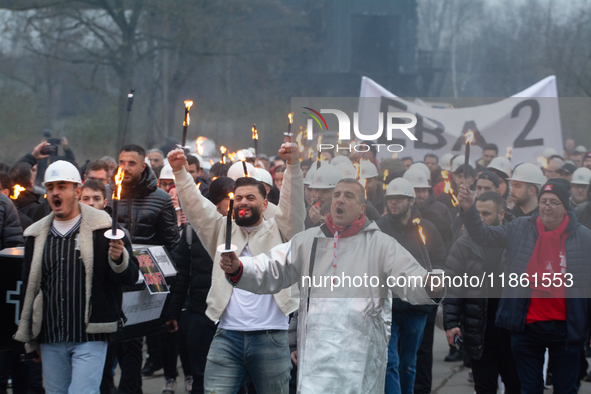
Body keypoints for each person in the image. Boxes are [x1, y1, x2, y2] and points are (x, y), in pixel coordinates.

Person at [219, 178, 444, 393]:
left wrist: (428, 285)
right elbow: (271, 267)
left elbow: (407, 277)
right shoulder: (307, 241)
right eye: (336, 194)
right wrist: (240, 267)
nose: (340, 199)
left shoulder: (380, 244)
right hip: (317, 357)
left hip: (361, 357)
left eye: (348, 195)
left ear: (362, 207)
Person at [168, 142, 305, 393]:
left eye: (251, 198)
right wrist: (180, 172)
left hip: (271, 337)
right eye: (239, 197)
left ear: (264, 205)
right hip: (226, 337)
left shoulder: (282, 230)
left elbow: (294, 207)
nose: (244, 202)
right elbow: (197, 208)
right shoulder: (222, 230)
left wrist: (293, 166)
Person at [14, 160, 139, 394]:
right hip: (50, 335)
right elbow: (29, 288)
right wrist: (31, 337)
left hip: (90, 334)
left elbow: (131, 277)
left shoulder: (105, 228)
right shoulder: (35, 234)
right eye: (50, 188)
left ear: (77, 190)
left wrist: (118, 258)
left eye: (62, 186)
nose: (55, 193)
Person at [457, 178, 591, 394]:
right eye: (543, 201)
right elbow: (484, 235)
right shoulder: (521, 227)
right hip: (526, 326)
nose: (547, 206)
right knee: (529, 389)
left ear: (565, 207)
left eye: (553, 202)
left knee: (566, 388)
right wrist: (469, 209)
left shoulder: (584, 237)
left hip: (566, 328)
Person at [108, 144, 180, 394]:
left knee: (132, 342)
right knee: (109, 343)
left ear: (143, 166)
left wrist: (170, 297)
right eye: (121, 162)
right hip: (113, 277)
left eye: (131, 163)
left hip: (146, 277)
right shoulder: (109, 194)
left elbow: (172, 246)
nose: (125, 167)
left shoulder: (160, 199)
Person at [443, 191, 521, 394]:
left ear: (501, 214)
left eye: (486, 214)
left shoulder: (515, 240)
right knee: (484, 387)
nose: (480, 219)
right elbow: (453, 287)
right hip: (479, 330)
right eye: (477, 213)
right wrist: (451, 324)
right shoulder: (464, 245)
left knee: (516, 385)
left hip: (511, 330)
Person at [376, 178, 447, 394]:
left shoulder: (427, 229)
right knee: (390, 363)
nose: (394, 203)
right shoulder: (379, 228)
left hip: (417, 309)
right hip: (389, 308)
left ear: (410, 201)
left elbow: (440, 261)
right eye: (390, 199)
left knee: (408, 364)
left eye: (399, 199)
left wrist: (435, 278)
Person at [166, 177, 235, 394]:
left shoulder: (244, 229)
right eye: (230, 199)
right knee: (202, 374)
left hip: (233, 315)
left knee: (234, 376)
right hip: (201, 314)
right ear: (215, 204)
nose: (237, 204)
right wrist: (173, 312)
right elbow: (182, 274)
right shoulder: (192, 231)